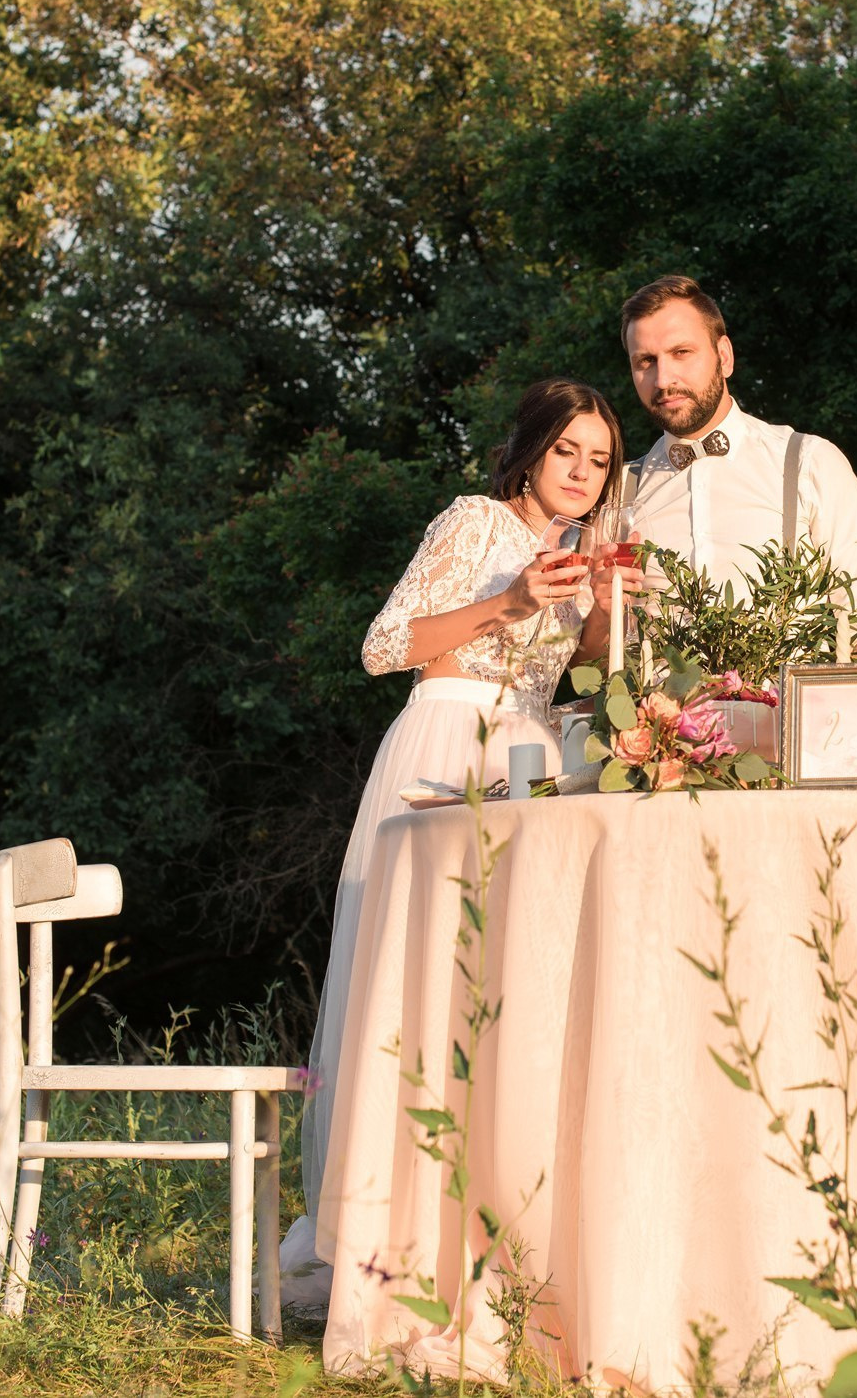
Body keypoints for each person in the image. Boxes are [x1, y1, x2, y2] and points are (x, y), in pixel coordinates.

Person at [284, 376, 629, 1312]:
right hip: (444, 742)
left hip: (528, 760)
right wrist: (508, 602)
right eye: (569, 452)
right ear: (530, 450)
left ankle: (482, 1238)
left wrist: (602, 612)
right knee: (419, 990)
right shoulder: (473, 522)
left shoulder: (578, 551)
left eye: (599, 461)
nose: (584, 474)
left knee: (501, 994)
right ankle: (387, 1241)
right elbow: (384, 645)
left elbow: (580, 683)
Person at [619, 275, 857, 668]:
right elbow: (590, 647)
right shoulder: (619, 492)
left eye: (682, 352)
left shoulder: (810, 463)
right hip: (657, 727)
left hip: (794, 725)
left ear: (724, 356)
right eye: (646, 361)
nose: (663, 379)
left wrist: (842, 725)